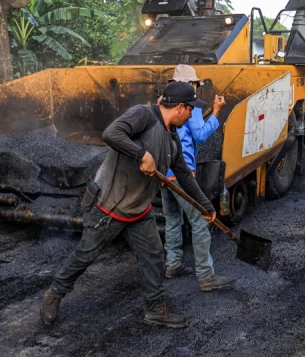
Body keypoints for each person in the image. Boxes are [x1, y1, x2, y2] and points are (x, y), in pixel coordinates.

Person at [39, 81, 218, 329]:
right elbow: (111, 134)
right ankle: (54, 294)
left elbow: (185, 176)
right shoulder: (143, 115)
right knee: (86, 255)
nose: (191, 115)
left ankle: (155, 309)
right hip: (109, 207)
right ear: (180, 107)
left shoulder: (172, 140)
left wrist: (206, 206)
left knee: (154, 257)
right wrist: (141, 155)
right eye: (191, 110)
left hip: (139, 210)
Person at [162, 65, 233, 292]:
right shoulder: (187, 107)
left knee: (173, 219)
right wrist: (216, 112)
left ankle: (172, 264)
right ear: (190, 85)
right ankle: (206, 276)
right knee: (200, 221)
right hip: (182, 174)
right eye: (193, 86)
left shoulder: (162, 105)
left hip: (163, 173)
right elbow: (201, 136)